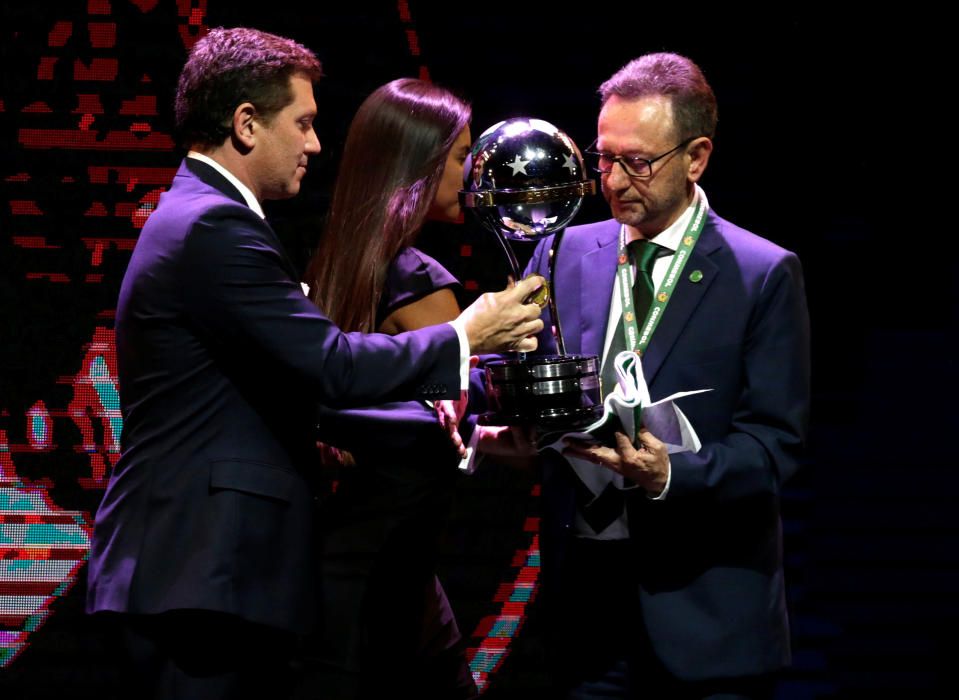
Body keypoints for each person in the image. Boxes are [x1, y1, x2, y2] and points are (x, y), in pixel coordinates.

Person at [85, 28, 544, 700]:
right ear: (246, 124)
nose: (314, 144)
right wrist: (464, 334)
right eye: (301, 123)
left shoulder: (201, 219)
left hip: (209, 575)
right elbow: (329, 364)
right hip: (200, 576)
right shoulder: (213, 228)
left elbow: (287, 383)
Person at [521, 52, 811, 698]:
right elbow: (530, 387)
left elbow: (775, 447)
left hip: (708, 623)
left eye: (637, 162)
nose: (615, 181)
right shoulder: (561, 252)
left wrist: (670, 474)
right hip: (587, 619)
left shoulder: (760, 273)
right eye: (603, 158)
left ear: (696, 157)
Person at [300, 78, 479, 699]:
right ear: (419, 167)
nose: (473, 174)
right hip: (395, 575)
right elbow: (457, 418)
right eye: (461, 157)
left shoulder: (333, 266)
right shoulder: (421, 284)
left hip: (333, 570)